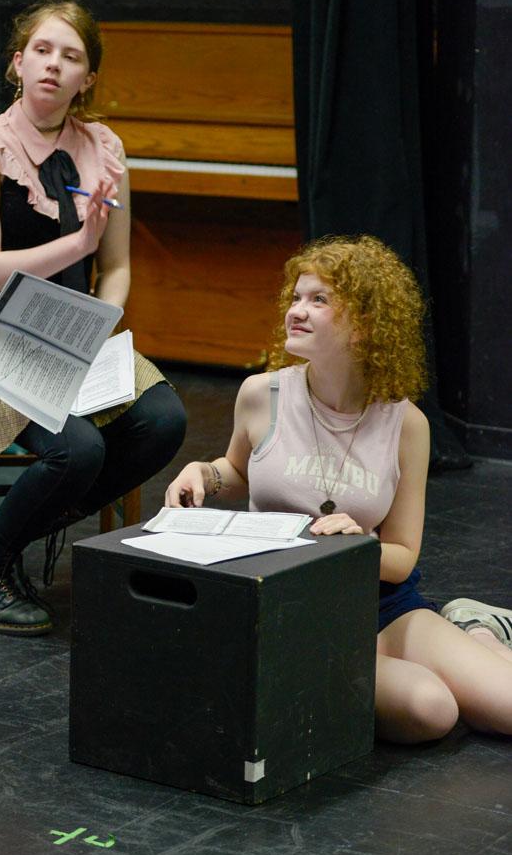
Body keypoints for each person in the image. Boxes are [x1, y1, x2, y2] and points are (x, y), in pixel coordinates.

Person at [164, 235, 512, 743]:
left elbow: (402, 557)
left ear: (366, 325)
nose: (296, 311)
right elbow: (238, 470)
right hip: (287, 609)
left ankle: (473, 629)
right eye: (296, 297)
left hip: (377, 605)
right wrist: (204, 472)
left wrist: (358, 545)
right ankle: (477, 637)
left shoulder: (407, 426)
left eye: (319, 300)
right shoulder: (263, 395)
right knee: (431, 709)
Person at [0, 0, 187, 636]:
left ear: (87, 79)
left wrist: (105, 316)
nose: (53, 65)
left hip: (77, 338)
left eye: (71, 57)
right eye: (42, 50)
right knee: (78, 449)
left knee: (164, 422)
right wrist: (76, 246)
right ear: (17, 63)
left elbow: (117, 263)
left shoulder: (103, 147)